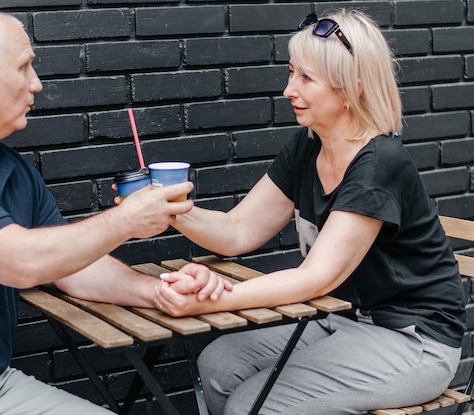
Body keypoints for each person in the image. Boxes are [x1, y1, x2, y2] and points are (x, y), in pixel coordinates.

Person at [0, 9, 230, 415]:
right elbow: (21, 262)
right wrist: (126, 221)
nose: (37, 84)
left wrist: (156, 290)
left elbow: (72, 268)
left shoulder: (12, 170)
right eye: (25, 67)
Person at [153, 9, 467, 415]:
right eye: (291, 73)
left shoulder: (378, 164)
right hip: (342, 320)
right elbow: (237, 230)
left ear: (351, 88)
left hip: (412, 339)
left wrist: (208, 301)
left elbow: (316, 277)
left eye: (306, 78)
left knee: (255, 404)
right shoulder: (306, 146)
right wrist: (170, 208)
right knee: (219, 364)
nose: (288, 90)